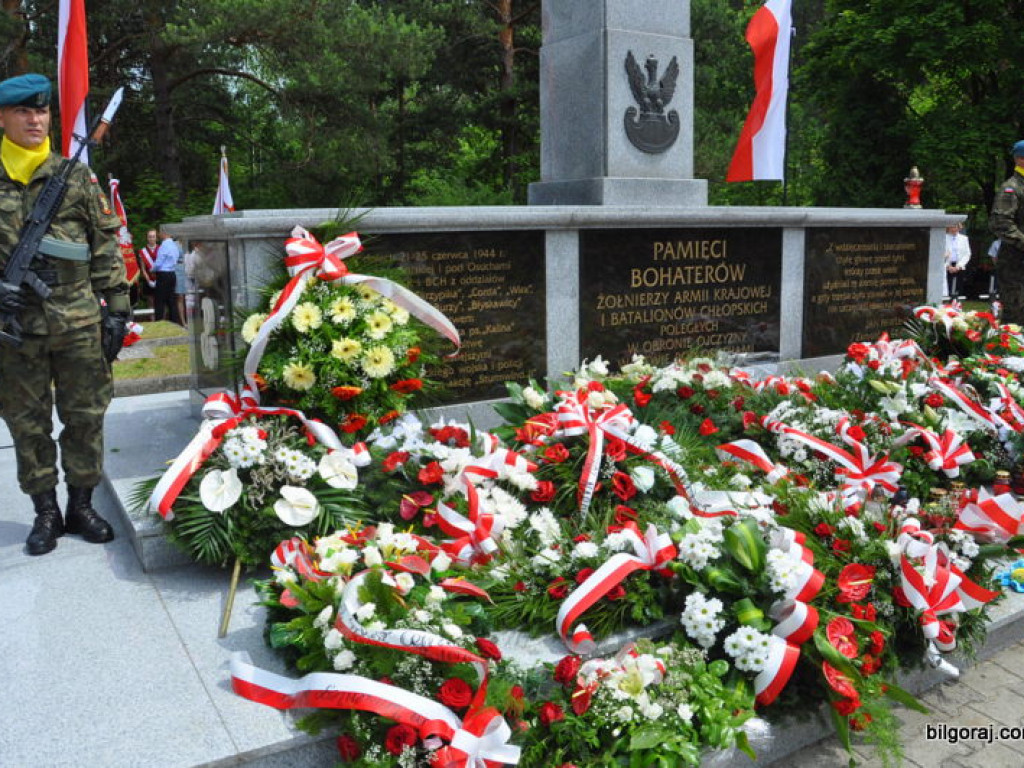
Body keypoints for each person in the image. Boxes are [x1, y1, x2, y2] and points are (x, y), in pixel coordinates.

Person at [0, 73, 130, 555]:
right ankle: (46, 513)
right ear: (3, 117)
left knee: (84, 416)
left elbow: (105, 244)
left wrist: (116, 309)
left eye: (42, 112)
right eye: (23, 112)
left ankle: (81, 505)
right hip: (15, 330)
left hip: (77, 321)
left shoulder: (74, 175)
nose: (35, 120)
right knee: (26, 422)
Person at [990, 140, 1024, 324]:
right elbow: (1000, 222)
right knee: (1016, 317)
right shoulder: (1011, 188)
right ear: (1019, 159)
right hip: (1016, 263)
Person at [152, 226, 182, 324]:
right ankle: (174, 322)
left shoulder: (164, 246)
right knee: (171, 301)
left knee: (159, 301)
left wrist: (152, 269)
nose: (159, 235)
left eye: (160, 232)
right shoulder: (174, 245)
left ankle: (159, 322)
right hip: (172, 274)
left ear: (165, 233)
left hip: (163, 274)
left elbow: (159, 262)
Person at [943, 221, 971, 301]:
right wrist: (948, 266)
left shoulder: (964, 238)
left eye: (956, 227)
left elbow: (967, 254)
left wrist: (959, 266)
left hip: (959, 266)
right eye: (952, 227)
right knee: (947, 286)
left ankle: (957, 305)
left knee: (958, 287)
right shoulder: (943, 237)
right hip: (946, 265)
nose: (954, 229)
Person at [136, 228, 158, 310]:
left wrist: (158, 279)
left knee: (160, 300)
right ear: (147, 238)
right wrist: (149, 281)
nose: (151, 238)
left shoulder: (161, 249)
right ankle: (152, 320)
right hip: (148, 279)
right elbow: (143, 268)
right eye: (150, 237)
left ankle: (160, 320)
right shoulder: (143, 251)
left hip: (159, 279)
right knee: (150, 301)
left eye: (153, 236)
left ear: (156, 238)